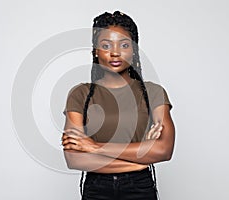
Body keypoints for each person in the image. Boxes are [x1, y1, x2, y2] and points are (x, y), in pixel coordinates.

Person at [61, 10, 175, 200]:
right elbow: (74, 158)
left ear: (134, 50)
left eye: (124, 45)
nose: (115, 52)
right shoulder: (80, 94)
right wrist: (140, 160)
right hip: (96, 189)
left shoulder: (153, 93)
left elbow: (164, 150)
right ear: (96, 51)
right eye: (106, 45)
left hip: (140, 188)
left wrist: (94, 147)